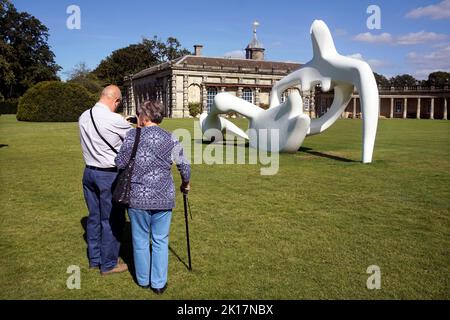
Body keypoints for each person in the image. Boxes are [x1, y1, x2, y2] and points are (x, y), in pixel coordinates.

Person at [115, 100, 191, 294]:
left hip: (137, 196)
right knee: (160, 240)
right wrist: (185, 183)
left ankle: (142, 280)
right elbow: (184, 165)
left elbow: (120, 163)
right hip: (163, 196)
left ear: (144, 116)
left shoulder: (132, 135)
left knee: (139, 239)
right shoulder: (171, 137)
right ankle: (158, 283)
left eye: (139, 114)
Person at [79, 85, 132, 275]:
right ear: (116, 100)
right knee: (111, 219)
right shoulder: (115, 119)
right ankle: (109, 264)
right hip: (108, 174)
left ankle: (94, 259)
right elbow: (133, 140)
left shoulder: (84, 116)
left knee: (94, 217)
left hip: (89, 172)